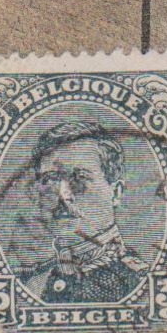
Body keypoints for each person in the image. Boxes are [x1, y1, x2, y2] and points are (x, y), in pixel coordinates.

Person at [21, 120, 149, 303]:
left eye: (80, 177)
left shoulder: (141, 281)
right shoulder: (32, 284)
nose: (63, 194)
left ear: (116, 192)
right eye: (50, 179)